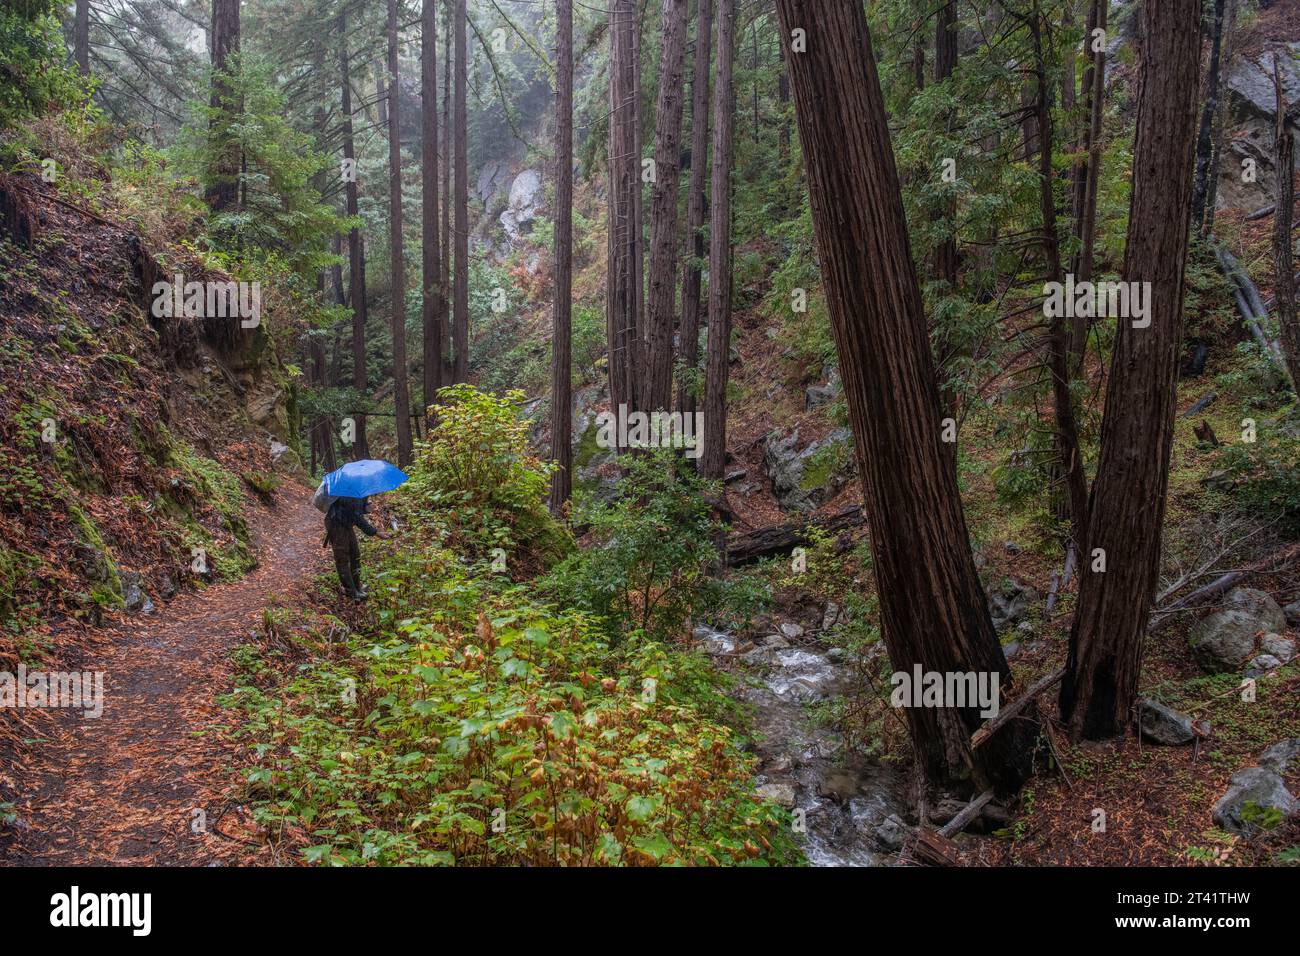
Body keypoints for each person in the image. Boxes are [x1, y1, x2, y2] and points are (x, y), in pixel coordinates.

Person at [324, 496, 379, 600]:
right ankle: (351, 592)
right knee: (342, 558)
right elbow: (357, 517)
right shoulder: (349, 492)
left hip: (346, 524)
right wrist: (375, 532)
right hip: (336, 524)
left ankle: (357, 586)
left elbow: (357, 510)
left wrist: (366, 507)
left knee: (355, 555)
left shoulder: (360, 490)